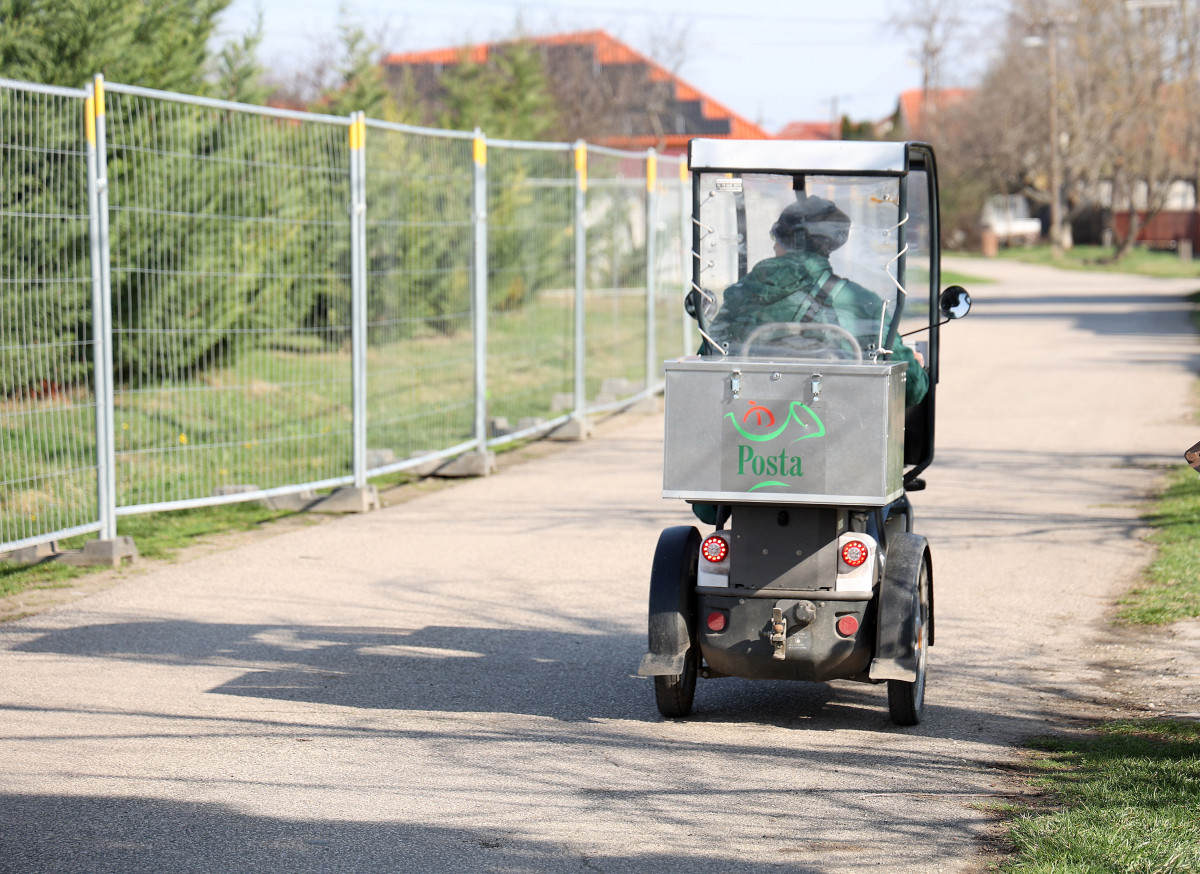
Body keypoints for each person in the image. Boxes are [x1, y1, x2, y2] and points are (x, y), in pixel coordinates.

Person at [706, 193, 928, 408]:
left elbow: (707, 363)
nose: (773, 245)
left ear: (783, 239)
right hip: (840, 434)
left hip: (749, 430)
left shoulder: (741, 294)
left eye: (775, 236)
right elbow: (911, 390)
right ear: (829, 246)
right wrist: (916, 369)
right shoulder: (863, 304)